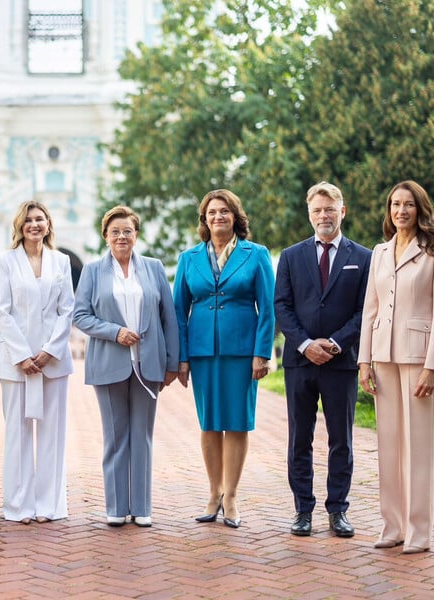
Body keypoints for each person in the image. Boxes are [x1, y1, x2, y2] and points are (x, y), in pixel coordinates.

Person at [173, 189, 275, 529]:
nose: (218, 217)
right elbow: (178, 311)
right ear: (204, 219)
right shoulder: (189, 258)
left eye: (224, 211)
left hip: (243, 353)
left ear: (235, 217)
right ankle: (213, 493)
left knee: (237, 422)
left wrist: (262, 353)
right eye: (212, 212)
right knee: (209, 423)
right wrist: (182, 357)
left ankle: (231, 495)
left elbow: (268, 308)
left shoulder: (256, 254)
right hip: (202, 352)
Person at [275, 182, 371, 538]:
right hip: (300, 363)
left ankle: (338, 511)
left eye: (329, 209)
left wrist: (333, 343)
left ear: (342, 211)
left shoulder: (363, 257)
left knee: (341, 440)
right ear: (309, 214)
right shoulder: (291, 256)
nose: (323, 215)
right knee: (299, 438)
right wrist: (304, 345)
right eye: (317, 210)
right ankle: (303, 510)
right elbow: (281, 306)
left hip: (340, 362)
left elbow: (365, 311)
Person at [74, 205, 179, 527]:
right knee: (116, 437)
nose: (122, 236)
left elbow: (168, 319)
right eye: (115, 231)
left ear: (136, 235)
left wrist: (173, 363)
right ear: (106, 236)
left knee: (142, 437)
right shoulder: (92, 271)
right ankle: (117, 508)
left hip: (149, 365)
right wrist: (115, 332)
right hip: (109, 364)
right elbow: (80, 316)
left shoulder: (153, 268)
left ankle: (142, 507)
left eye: (128, 231)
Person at [358, 180, 434, 554]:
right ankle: (393, 527)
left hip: (419, 357)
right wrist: (363, 360)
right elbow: (370, 308)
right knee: (388, 446)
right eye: (395, 205)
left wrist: (431, 367)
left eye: (408, 205)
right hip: (383, 357)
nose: (401, 211)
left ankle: (420, 532)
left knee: (418, 448)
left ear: (420, 209)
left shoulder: (431, 251)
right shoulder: (379, 252)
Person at [0, 201, 75, 524]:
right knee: (18, 432)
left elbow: (67, 309)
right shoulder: (5, 261)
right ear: (19, 226)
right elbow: (3, 309)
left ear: (48, 224)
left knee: (52, 434)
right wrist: (23, 355)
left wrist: (49, 350)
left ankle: (49, 505)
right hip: (16, 362)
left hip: (53, 361)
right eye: (28, 220)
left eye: (40, 219)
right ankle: (19, 505)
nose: (34, 225)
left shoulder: (62, 261)